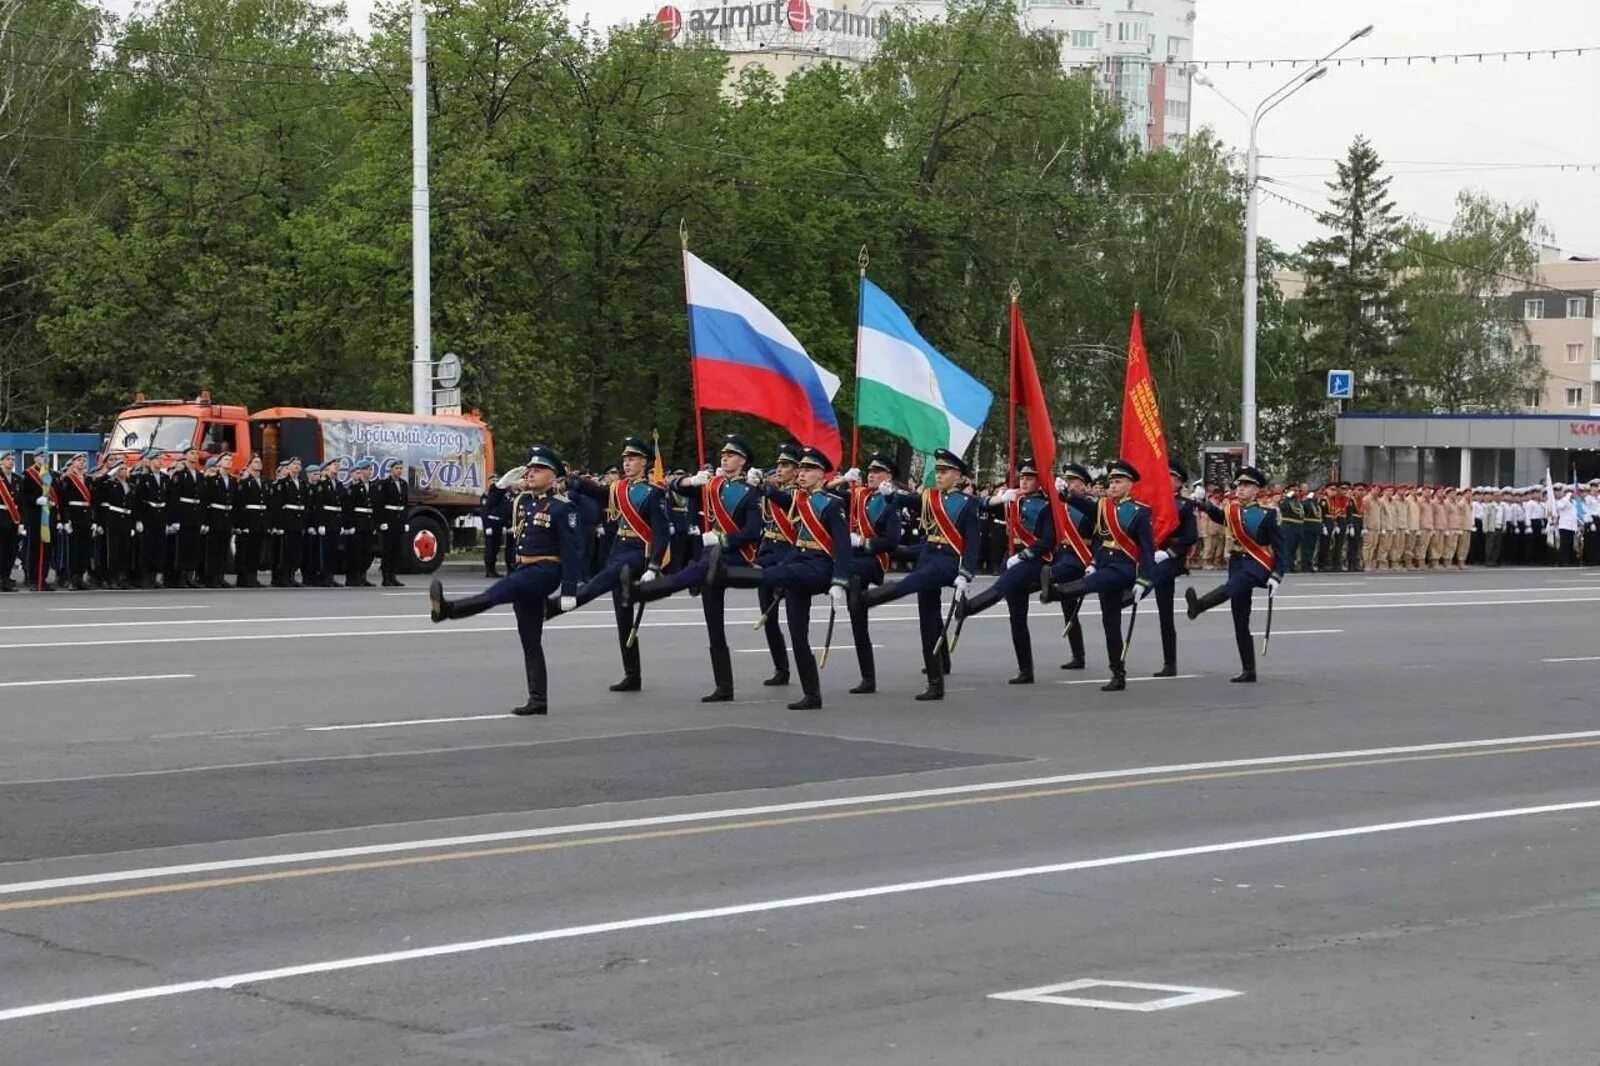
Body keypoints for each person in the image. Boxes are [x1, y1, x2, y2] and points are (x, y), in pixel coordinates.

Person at [430, 446, 583, 716]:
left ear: (553, 476)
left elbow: (573, 551)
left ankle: (448, 610)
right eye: (530, 469)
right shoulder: (523, 501)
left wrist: (569, 590)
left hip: (545, 571)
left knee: (499, 591)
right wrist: (499, 487)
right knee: (530, 637)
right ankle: (538, 700)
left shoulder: (563, 507)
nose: (531, 473)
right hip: (523, 569)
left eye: (538, 470)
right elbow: (492, 510)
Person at [705, 445, 851, 710]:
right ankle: (812, 695)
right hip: (800, 564)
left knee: (775, 573)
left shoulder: (832, 505)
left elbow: (842, 546)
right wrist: (762, 486)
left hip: (819, 567)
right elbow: (780, 500)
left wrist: (840, 581)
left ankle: (727, 574)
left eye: (808, 469)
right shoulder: (801, 501)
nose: (802, 474)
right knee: (798, 635)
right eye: (802, 469)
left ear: (821, 475)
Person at [851, 448, 981, 701]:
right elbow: (911, 501)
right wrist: (892, 495)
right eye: (938, 471)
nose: (939, 475)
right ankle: (935, 683)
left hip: (948, 561)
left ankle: (867, 599)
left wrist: (966, 574)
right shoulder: (930, 497)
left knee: (912, 581)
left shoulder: (968, 504)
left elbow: (973, 543)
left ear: (958, 476)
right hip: (928, 556)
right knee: (928, 622)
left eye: (944, 472)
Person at [641, 434, 763, 702]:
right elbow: (672, 486)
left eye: (731, 455)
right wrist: (692, 480)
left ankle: (646, 591)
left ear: (742, 461)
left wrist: (724, 539)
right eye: (723, 454)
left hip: (734, 556)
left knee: (691, 575)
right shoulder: (712, 484)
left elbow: (753, 531)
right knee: (713, 625)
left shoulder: (750, 492)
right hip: (710, 555)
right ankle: (724, 686)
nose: (725, 458)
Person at [556, 437, 670, 693]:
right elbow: (596, 491)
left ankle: (563, 602)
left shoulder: (654, 493)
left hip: (638, 555)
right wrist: (573, 480)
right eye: (624, 459)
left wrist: (653, 567)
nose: (626, 463)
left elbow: (661, 533)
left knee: (602, 581)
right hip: (619, 551)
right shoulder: (619, 488)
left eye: (631, 459)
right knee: (623, 619)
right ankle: (632, 675)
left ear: (643, 462)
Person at [1036, 458, 1155, 692]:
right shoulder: (1103, 507)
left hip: (1123, 568)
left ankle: (1056, 593)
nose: (1112, 486)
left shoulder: (1140, 512)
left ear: (1130, 485)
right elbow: (1093, 526)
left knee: (1091, 583)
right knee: (1110, 623)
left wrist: (1144, 579)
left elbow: (1148, 550)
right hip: (1104, 564)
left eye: (1118, 482)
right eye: (1111, 482)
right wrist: (1066, 495)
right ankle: (1118, 674)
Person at [953, 458, 1057, 684]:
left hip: (1033, 561)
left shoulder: (1047, 505)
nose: (1025, 481)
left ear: (1039, 481)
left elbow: (1049, 539)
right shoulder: (1013, 498)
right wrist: (1001, 498)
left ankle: (970, 608)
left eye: (1030, 477)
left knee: (1001, 587)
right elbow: (977, 503)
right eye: (1023, 477)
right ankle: (1026, 670)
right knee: (1017, 618)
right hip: (1011, 557)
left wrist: (1023, 555)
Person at [1185, 466, 1286, 683]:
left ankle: (1199, 606)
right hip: (1237, 562)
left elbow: (1280, 548)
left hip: (1257, 564)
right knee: (1240, 620)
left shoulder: (1268, 514)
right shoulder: (1232, 510)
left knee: (1233, 587)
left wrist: (1277, 575)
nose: (1240, 489)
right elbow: (1219, 517)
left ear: (1257, 489)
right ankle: (1249, 670)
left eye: (1246, 485)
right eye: (1239, 485)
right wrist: (1202, 504)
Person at [834, 451, 904, 695]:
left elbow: (892, 540)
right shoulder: (857, 493)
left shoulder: (891, 501)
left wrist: (863, 542)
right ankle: (854, 599)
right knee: (856, 615)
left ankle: (868, 677)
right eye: (870, 471)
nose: (872, 475)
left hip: (872, 559)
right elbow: (824, 497)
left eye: (878, 472)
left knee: (857, 612)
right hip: (852, 558)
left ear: (889, 477)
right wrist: (842, 479)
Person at [748, 443, 803, 688]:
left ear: (797, 469)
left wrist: (764, 487)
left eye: (786, 465)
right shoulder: (773, 489)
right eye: (779, 464)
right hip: (767, 553)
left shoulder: (798, 494)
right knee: (768, 617)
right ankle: (781, 667)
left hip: (789, 553)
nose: (780, 469)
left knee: (794, 620)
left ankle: (803, 669)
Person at [1037, 462, 1097, 671]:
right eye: (1068, 481)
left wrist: (1094, 562)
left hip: (1081, 557)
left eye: (1074, 481)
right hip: (1063, 553)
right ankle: (1078, 655)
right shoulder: (1063, 503)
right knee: (1069, 609)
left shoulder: (1093, 504)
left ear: (1084, 485)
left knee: (1053, 577)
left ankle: (1050, 591)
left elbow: (1096, 527)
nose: (1070, 485)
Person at [1146, 460, 1199, 677]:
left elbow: (1190, 537)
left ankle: (1170, 662)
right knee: (1163, 612)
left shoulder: (1185, 506)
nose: (1165, 480)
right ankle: (1170, 664)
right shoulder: (1151, 503)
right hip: (1153, 555)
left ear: (1179, 483)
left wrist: (1168, 553)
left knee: (1162, 602)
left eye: (1171, 477)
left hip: (1172, 558)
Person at [54, 453, 93, 590]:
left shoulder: (88, 480)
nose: (82, 463)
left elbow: (91, 501)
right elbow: (63, 501)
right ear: (73, 463)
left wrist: (92, 519)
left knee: (85, 549)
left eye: (84, 460)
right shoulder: (68, 479)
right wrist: (66, 520)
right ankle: (71, 578)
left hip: (86, 517)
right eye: (79, 460)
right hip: (73, 516)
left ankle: (80, 577)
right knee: (73, 549)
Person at [20, 453, 56, 591]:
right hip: (35, 516)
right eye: (41, 456)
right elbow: (23, 495)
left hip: (49, 515)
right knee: (33, 548)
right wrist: (36, 499)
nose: (44, 459)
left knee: (47, 547)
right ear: (35, 458)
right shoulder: (28, 475)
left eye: (46, 456)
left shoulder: (51, 474)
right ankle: (32, 578)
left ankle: (43, 577)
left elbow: (56, 493)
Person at [233, 455, 268, 587]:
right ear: (249, 465)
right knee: (245, 551)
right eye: (255, 462)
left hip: (260, 520)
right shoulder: (244, 482)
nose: (259, 464)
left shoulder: (263, 482)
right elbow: (240, 504)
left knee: (256, 550)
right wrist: (241, 524)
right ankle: (243, 578)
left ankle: (253, 576)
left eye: (260, 462)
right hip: (248, 520)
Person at [201, 455, 235, 588]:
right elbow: (205, 501)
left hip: (227, 517)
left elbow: (235, 502)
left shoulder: (232, 480)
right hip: (215, 516)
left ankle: (220, 577)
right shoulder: (212, 480)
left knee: (223, 548)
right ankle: (211, 577)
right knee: (213, 549)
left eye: (230, 460)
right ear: (219, 463)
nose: (229, 462)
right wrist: (205, 521)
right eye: (226, 459)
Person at [274, 457, 307, 587]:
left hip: (298, 520)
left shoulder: (302, 483)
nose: (297, 466)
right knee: (286, 550)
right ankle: (283, 576)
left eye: (299, 464)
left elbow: (305, 504)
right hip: (287, 520)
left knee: (296, 550)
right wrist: (279, 524)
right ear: (288, 467)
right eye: (294, 464)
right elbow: (278, 505)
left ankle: (292, 575)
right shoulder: (283, 483)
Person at [344, 459, 378, 586]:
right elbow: (349, 508)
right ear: (362, 471)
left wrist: (375, 524)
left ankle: (363, 575)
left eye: (370, 469)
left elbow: (375, 507)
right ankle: (353, 577)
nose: (370, 471)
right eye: (368, 469)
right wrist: (350, 525)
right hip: (357, 522)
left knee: (367, 551)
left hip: (368, 523)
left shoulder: (373, 487)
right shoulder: (354, 488)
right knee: (355, 552)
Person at [376, 458, 409, 586]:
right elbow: (379, 504)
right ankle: (386, 577)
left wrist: (405, 521)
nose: (399, 471)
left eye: (401, 469)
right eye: (397, 469)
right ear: (391, 470)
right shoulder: (384, 484)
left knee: (397, 549)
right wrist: (382, 521)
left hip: (399, 519)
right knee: (387, 550)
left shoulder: (403, 484)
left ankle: (393, 576)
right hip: (388, 519)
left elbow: (405, 503)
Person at [0, 452, 21, 591]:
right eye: (8, 459)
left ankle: (6, 577)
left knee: (12, 551)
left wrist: (22, 522)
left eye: (13, 459)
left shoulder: (17, 479)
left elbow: (22, 502)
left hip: (14, 520)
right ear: (1, 462)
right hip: (1, 517)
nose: (11, 462)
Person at [481, 478, 507, 578]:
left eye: (496, 480)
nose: (494, 482)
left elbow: (503, 510)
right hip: (490, 523)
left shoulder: (501, 494)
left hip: (498, 522)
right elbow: (484, 512)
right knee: (490, 548)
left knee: (496, 547)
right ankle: (489, 570)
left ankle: (493, 569)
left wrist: (503, 525)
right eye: (492, 480)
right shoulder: (486, 496)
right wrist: (487, 526)